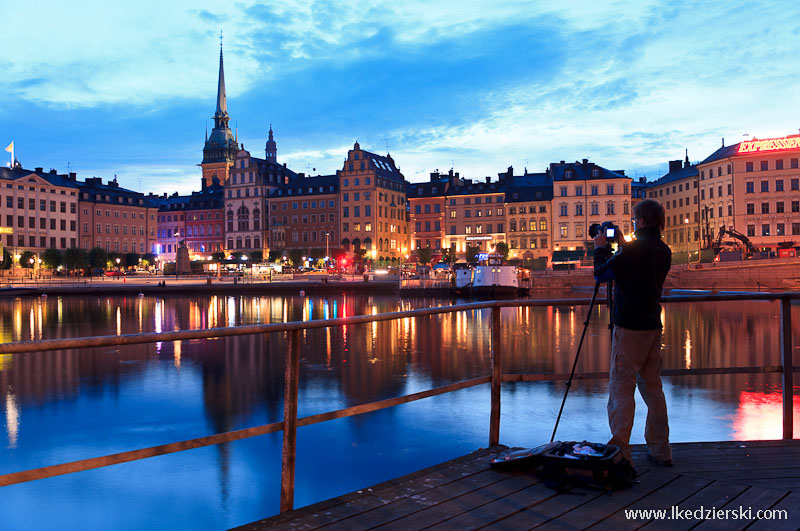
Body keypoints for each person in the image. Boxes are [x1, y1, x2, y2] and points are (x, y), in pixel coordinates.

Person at [593, 199, 673, 468]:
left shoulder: (635, 250)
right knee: (653, 388)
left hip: (629, 326)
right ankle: (661, 449)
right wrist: (623, 244)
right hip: (653, 324)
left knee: (621, 388)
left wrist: (600, 249)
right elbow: (635, 260)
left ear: (641, 221)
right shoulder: (663, 249)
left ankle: (620, 449)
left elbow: (601, 275)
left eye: (636, 219)